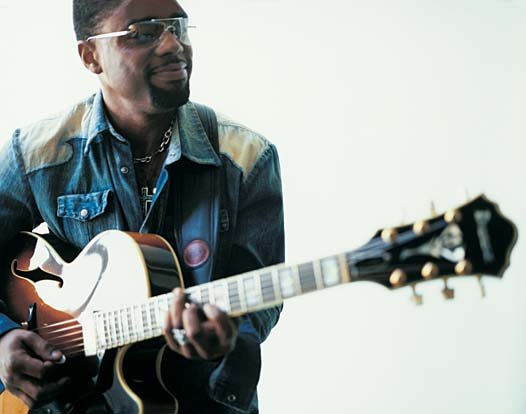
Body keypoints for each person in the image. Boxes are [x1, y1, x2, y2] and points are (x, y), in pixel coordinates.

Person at [0, 0, 284, 413]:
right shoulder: (37, 154)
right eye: (144, 32)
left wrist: (227, 338)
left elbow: (259, 300)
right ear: (91, 55)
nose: (173, 45)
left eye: (177, 27)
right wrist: (4, 337)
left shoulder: (246, 158)